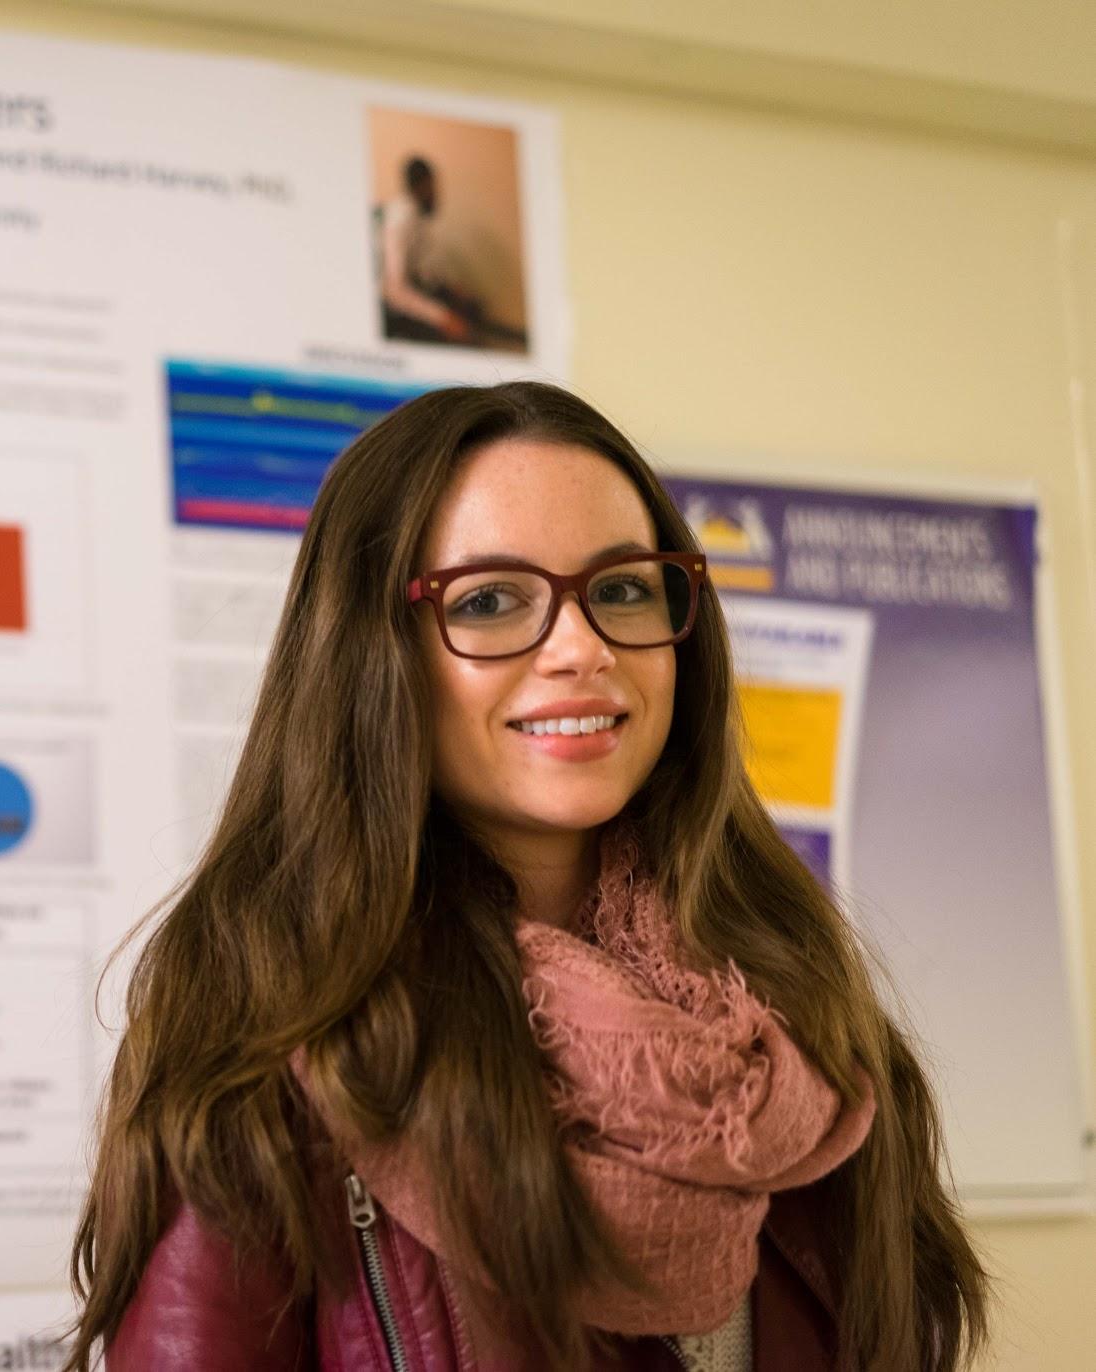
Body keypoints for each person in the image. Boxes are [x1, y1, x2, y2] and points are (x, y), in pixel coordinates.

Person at [68, 383, 988, 1371]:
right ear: (374, 655)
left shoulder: (809, 1020)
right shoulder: (265, 1056)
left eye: (626, 588)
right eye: (491, 600)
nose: (583, 648)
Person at [376, 156, 475, 345]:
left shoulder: (416, 216)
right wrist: (443, 318)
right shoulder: (401, 220)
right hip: (385, 308)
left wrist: (453, 289)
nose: (437, 193)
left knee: (470, 307)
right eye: (433, 186)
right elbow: (394, 290)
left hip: (402, 293)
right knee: (454, 336)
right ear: (423, 185)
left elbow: (424, 269)